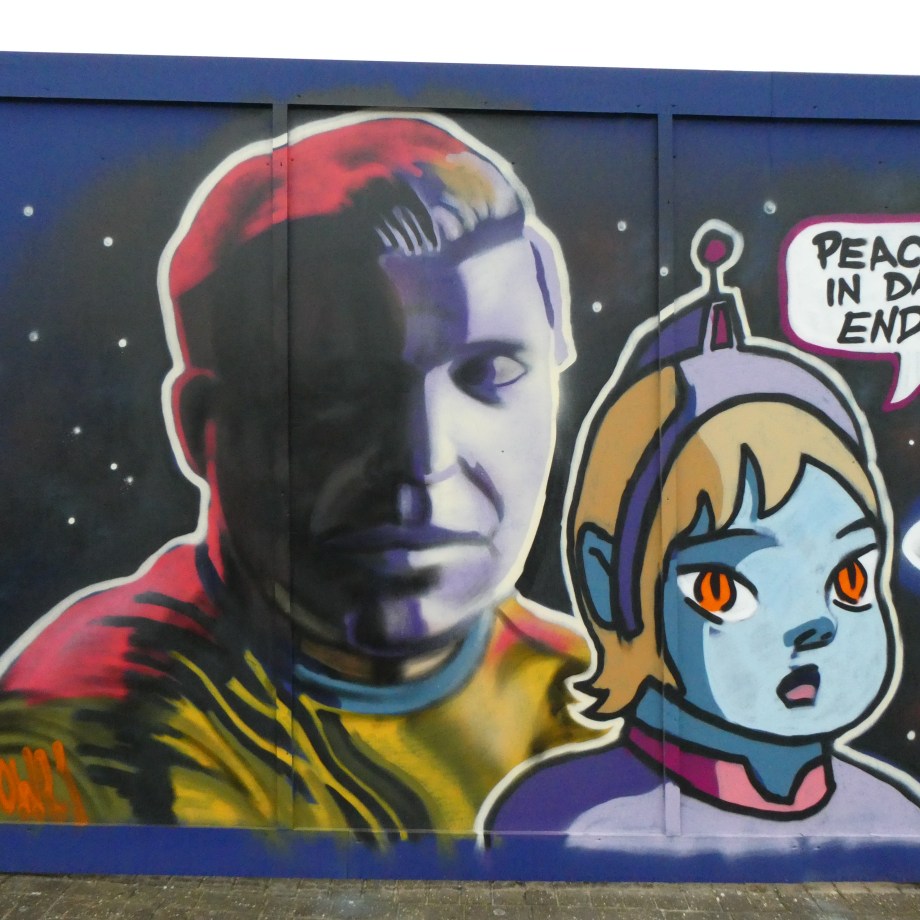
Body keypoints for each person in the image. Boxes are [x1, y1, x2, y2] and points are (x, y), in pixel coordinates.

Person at [0, 112, 596, 836]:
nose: (423, 459)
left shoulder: (589, 698)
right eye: (337, 388)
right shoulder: (77, 739)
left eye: (491, 373)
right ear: (201, 430)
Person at [483, 221, 920, 854]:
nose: (814, 625)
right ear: (608, 589)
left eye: (848, 579)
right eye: (724, 588)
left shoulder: (892, 822)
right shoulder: (569, 824)